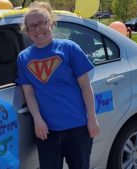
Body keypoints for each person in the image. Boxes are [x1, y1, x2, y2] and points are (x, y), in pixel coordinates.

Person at [16, 1, 99, 169]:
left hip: (78, 128)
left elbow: (85, 86)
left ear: (51, 23)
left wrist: (92, 118)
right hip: (47, 132)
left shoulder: (69, 48)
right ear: (27, 31)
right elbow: (29, 93)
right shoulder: (24, 58)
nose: (38, 29)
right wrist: (38, 120)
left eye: (42, 23)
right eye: (32, 26)